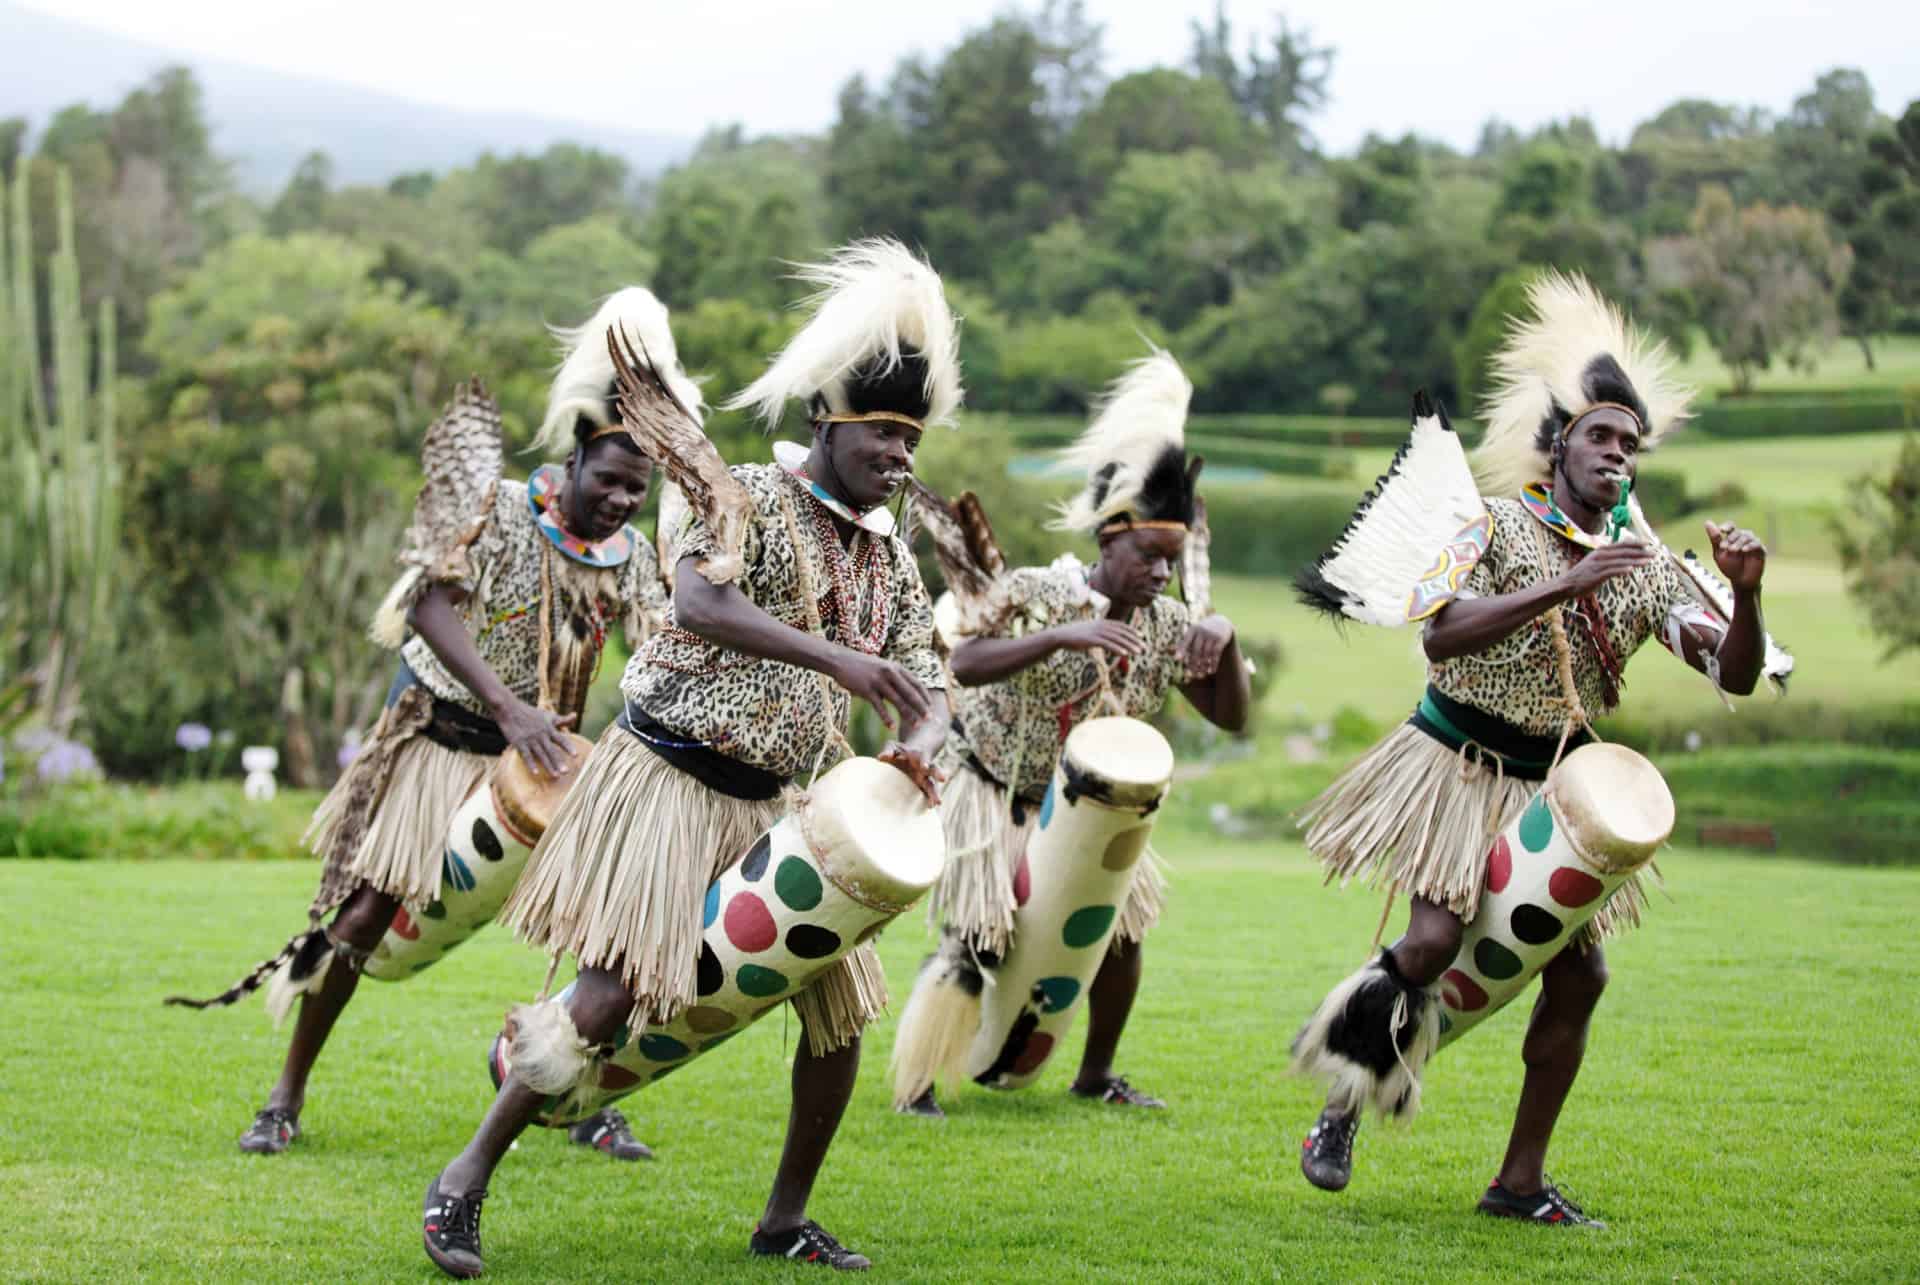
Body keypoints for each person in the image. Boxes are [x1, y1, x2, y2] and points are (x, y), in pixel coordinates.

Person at [420, 239, 963, 1278]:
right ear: (826, 420)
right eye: (884, 432)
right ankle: (465, 1176)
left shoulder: (889, 552)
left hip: (787, 803)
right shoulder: (743, 495)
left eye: (913, 436)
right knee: (610, 996)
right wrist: (839, 664)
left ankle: (782, 1219)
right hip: (670, 777)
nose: (901, 454)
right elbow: (699, 600)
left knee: (838, 1018)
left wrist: (919, 742)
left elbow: (918, 676)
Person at [166, 289, 695, 1165]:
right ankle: (286, 1093)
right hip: (442, 737)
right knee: (366, 909)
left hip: (549, 763)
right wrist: (509, 708)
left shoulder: (632, 557)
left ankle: (585, 1094)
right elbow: (427, 607)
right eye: (609, 481)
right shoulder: (497, 508)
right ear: (572, 462)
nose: (620, 502)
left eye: (637, 490)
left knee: (603, 924)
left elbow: (655, 642)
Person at [1289, 273, 1775, 1226]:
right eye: (1601, 436)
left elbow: (1736, 674)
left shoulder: (1646, 567)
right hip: (1455, 765)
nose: (1618, 455)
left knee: (1583, 975)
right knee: (1432, 941)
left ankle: (1519, 1181)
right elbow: (1442, 633)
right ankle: (1342, 1106)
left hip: (1555, 794)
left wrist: (1746, 595)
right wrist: (1570, 580)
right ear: (1558, 447)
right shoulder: (1498, 526)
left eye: (1631, 445)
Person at [892, 349, 1251, 1117]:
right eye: (1150, 557)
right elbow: (972, 658)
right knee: (978, 937)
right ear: (1110, 539)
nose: (1161, 574)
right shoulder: (1040, 594)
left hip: (1089, 810)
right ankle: (921, 1080)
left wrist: (1222, 636)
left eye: (1172, 561)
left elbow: (1233, 717)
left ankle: (1095, 1073)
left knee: (1122, 935)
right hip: (993, 786)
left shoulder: (1169, 625)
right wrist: (1061, 638)